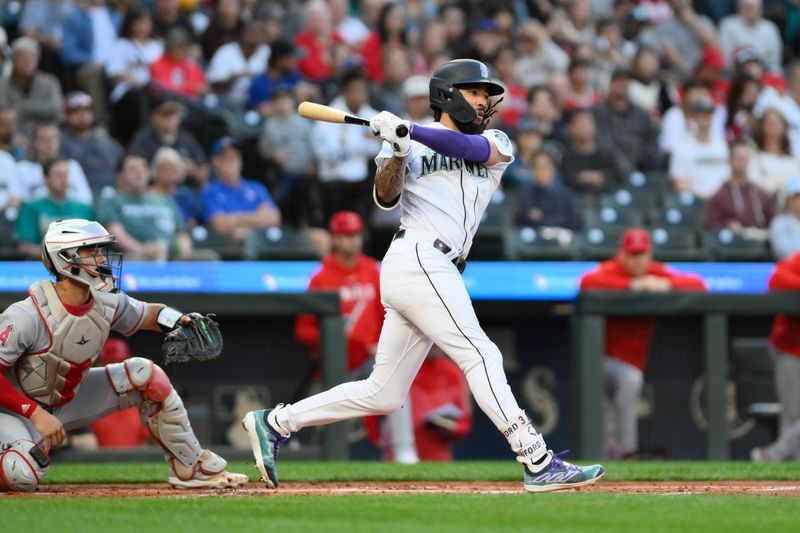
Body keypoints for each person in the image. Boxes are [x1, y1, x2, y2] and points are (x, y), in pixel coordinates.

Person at [242, 58, 605, 493]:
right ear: (448, 95)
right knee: (481, 353)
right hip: (417, 257)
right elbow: (385, 196)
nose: (484, 101)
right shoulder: (406, 139)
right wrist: (395, 149)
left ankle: (276, 421)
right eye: (475, 92)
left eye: (486, 95)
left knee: (384, 393)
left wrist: (409, 131)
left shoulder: (495, 140)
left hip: (432, 267)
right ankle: (536, 459)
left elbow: (470, 151)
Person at [0, 218, 247, 492]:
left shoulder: (106, 300)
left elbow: (149, 314)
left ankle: (190, 467)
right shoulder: (25, 315)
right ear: (65, 259)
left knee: (145, 375)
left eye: (101, 250)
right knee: (20, 473)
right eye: (91, 251)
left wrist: (179, 320)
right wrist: (35, 414)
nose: (101, 258)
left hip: (66, 401)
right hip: (14, 411)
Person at [579, 228, 706, 459]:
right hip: (598, 360)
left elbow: (698, 283)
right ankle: (625, 451)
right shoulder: (612, 269)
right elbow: (587, 281)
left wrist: (666, 285)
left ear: (649, 255)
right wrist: (632, 286)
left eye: (642, 254)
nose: (638, 260)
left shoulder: (655, 272)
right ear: (622, 255)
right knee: (626, 384)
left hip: (630, 362)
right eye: (633, 254)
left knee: (620, 396)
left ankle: (617, 453)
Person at [751, 251, 800, 462]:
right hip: (790, 348)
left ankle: (772, 456)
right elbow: (776, 277)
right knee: (792, 415)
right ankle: (786, 471)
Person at [98, 153, 192, 261]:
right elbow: (116, 234)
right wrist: (142, 250)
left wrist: (183, 247)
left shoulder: (165, 200)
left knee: (208, 257)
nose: (140, 172)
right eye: (133, 169)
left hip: (172, 256)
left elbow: (181, 233)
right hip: (134, 256)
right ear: (120, 176)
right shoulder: (112, 200)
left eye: (143, 167)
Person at [14, 157, 95, 259]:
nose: (64, 180)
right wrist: (57, 254)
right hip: (42, 268)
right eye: (58, 175)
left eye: (66, 174)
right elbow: (24, 246)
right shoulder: (31, 208)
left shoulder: (85, 210)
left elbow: (97, 245)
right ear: (46, 178)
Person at [59, 91, 124, 196]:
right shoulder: (59, 143)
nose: (82, 115)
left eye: (87, 110)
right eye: (76, 111)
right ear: (67, 115)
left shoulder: (109, 144)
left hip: (109, 195)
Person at [89, 338, 151, 448]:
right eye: (112, 363)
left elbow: (146, 444)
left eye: (122, 365)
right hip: (96, 463)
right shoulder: (88, 402)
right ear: (100, 366)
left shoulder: (138, 402)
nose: (118, 370)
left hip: (131, 463)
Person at [704, 141, 773, 235]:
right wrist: (727, 225)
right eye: (738, 158)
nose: (741, 162)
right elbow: (711, 225)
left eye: (745, 158)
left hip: (761, 242)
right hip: (734, 244)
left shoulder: (760, 194)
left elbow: (772, 221)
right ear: (730, 160)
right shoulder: (720, 196)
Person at [16, 122, 93, 206]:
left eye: (53, 138)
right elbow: (19, 202)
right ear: (35, 142)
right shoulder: (23, 168)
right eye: (43, 139)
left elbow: (86, 200)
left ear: (59, 141)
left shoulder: (72, 166)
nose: (49, 143)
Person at [0, 37, 63, 139]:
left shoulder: (50, 82)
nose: (27, 62)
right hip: (11, 139)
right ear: (13, 60)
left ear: (37, 61)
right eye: (22, 58)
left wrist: (21, 108)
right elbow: (3, 111)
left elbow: (55, 109)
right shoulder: (3, 84)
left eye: (31, 58)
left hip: (45, 139)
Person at [669, 96, 731, 200]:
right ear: (694, 117)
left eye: (709, 113)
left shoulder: (722, 146)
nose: (706, 117)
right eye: (702, 113)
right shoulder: (682, 147)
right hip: (694, 202)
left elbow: (729, 178)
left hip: (721, 202)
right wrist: (705, 197)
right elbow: (680, 184)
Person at [517, 151, 579, 230]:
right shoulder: (526, 194)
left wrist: (542, 218)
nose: (541, 171)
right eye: (537, 167)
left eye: (545, 167)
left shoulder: (565, 195)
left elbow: (571, 222)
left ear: (553, 169)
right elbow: (524, 221)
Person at [769, 177, 800, 259]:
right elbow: (784, 251)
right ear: (787, 201)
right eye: (795, 198)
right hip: (790, 269)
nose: (798, 202)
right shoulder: (779, 223)